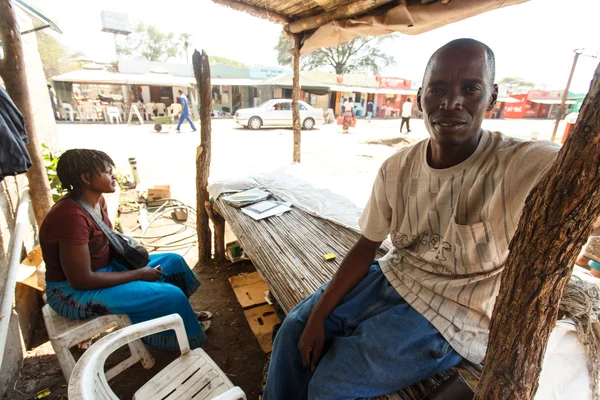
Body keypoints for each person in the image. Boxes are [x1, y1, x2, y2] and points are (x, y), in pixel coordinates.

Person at [263, 38, 559, 399]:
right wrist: (318, 315)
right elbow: (367, 245)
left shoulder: (519, 163)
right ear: (420, 98)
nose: (451, 101)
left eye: (471, 88)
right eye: (438, 88)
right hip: (394, 276)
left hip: (453, 315)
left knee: (331, 382)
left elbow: (581, 167)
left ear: (492, 98)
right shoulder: (398, 167)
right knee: (293, 330)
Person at [41, 149, 212, 351]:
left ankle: (178, 316)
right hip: (71, 294)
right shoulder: (70, 218)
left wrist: (132, 262)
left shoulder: (98, 200)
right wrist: (137, 274)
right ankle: (176, 333)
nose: (114, 176)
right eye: (106, 172)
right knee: (171, 295)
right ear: (86, 178)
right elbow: (81, 280)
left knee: (174, 262)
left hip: (105, 270)